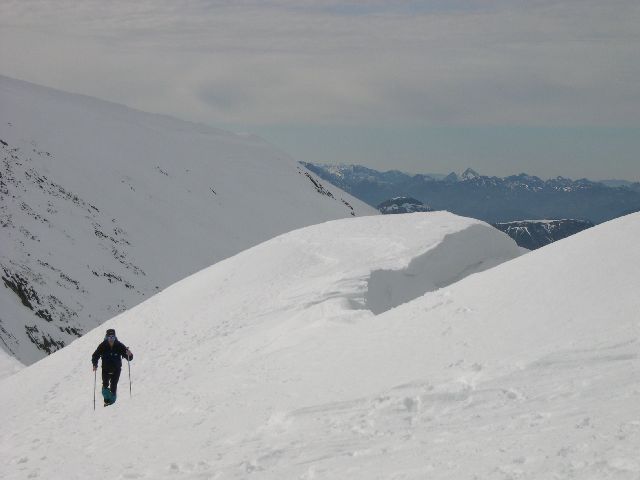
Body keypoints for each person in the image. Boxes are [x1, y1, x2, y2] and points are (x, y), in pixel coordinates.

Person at [92, 328, 133, 406]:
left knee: (113, 386)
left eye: (113, 337)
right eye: (109, 337)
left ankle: (112, 404)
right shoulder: (102, 345)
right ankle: (106, 401)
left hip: (116, 370)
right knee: (105, 385)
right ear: (106, 337)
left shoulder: (119, 345)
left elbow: (129, 358)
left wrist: (129, 354)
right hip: (105, 369)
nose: (111, 339)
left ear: (115, 337)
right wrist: (95, 364)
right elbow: (95, 355)